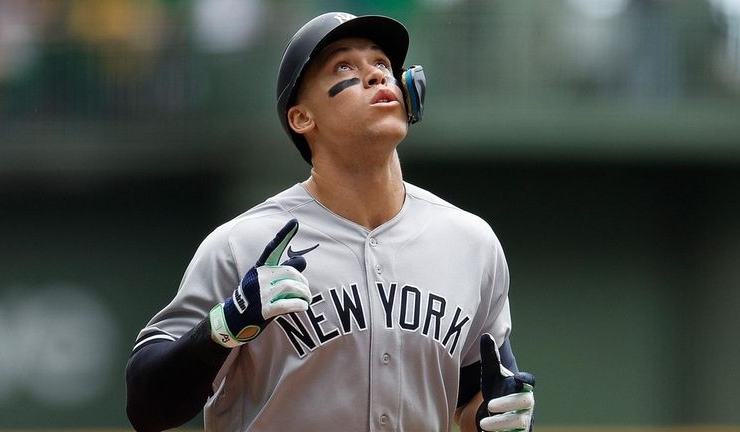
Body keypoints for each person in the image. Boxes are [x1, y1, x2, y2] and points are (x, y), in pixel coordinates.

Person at [125, 11, 535, 432]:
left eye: (382, 65)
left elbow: (477, 400)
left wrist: (499, 416)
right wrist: (223, 328)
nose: (376, 76)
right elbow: (147, 406)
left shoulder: (469, 242)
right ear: (302, 117)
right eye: (344, 66)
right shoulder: (242, 244)